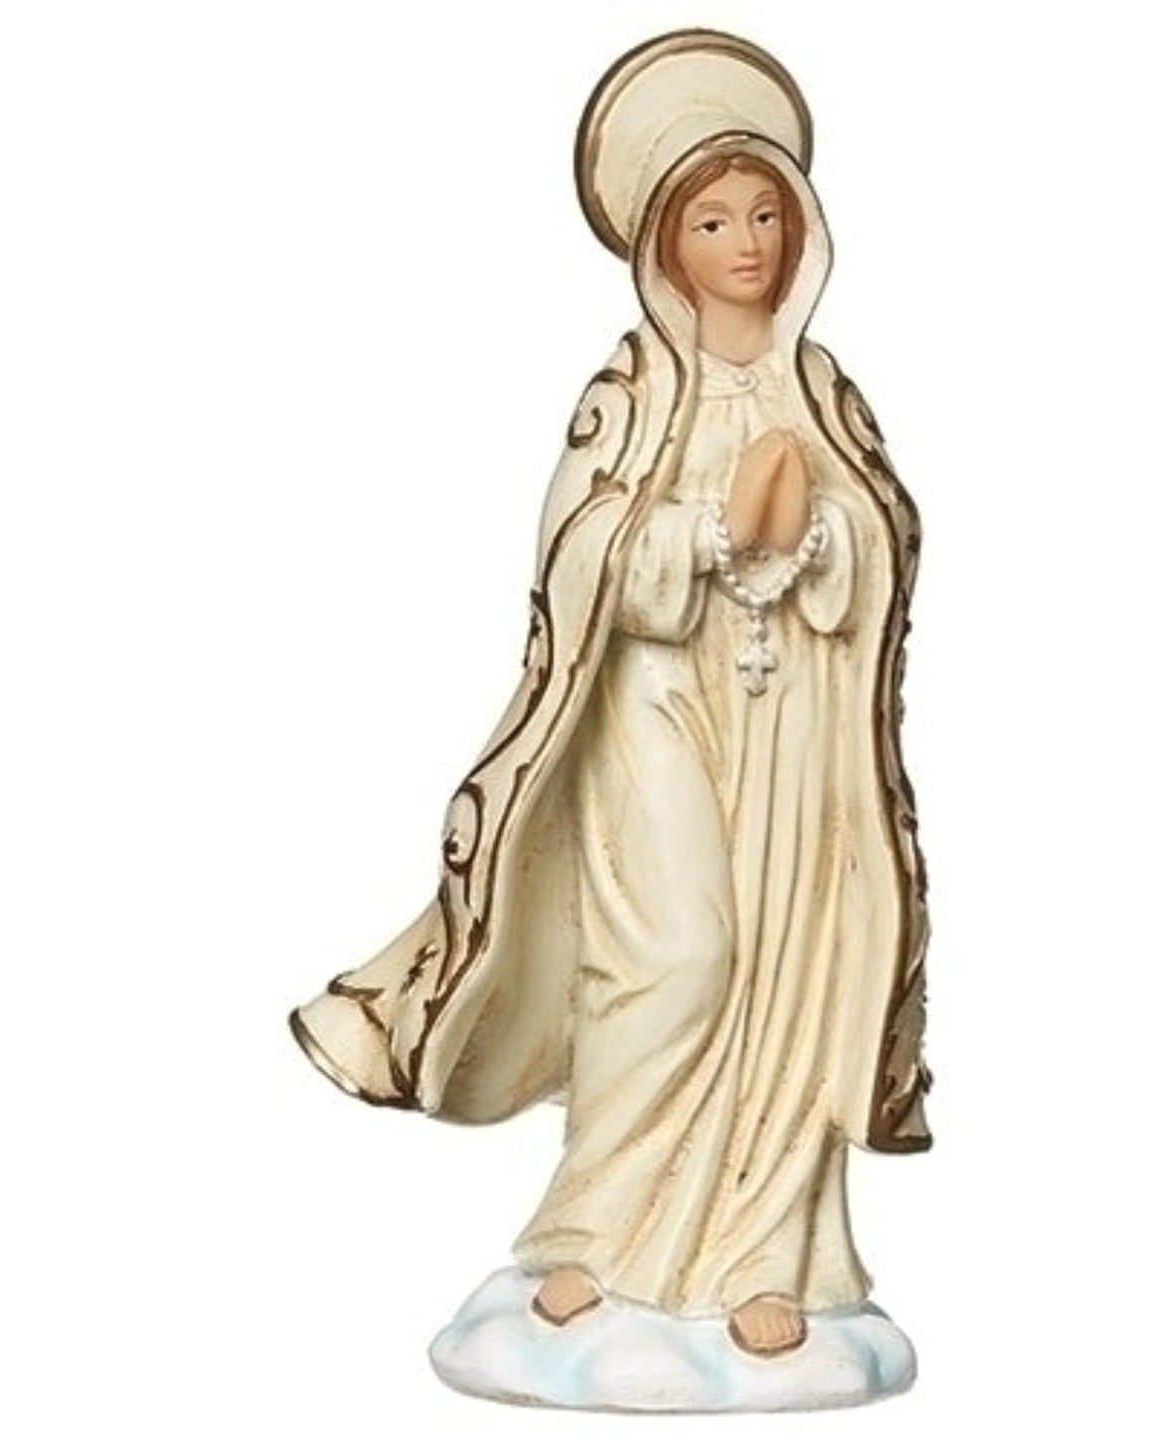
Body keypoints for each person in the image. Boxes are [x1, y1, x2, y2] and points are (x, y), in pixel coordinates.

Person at [290, 30, 930, 1364]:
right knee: (676, 957)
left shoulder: (820, 388)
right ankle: (595, 1234)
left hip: (791, 723)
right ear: (664, 242)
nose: (746, 241)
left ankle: (765, 1256)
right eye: (714, 218)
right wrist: (698, 538)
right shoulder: (632, 392)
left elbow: (883, 541)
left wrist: (818, 542)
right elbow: (575, 555)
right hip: (653, 705)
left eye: (764, 213)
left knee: (785, 968)